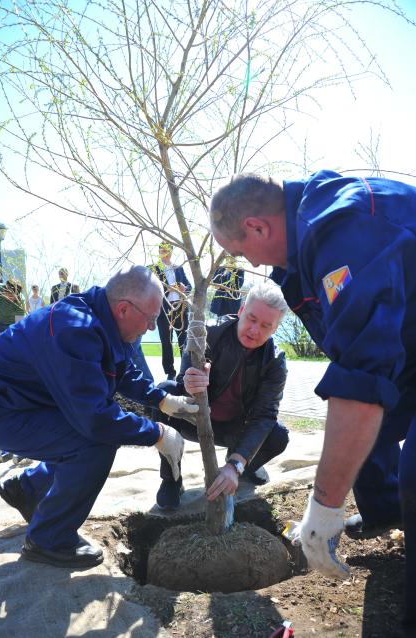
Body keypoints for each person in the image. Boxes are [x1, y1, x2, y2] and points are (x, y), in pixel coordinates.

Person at [209, 169, 416, 628]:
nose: (255, 264)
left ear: (258, 227)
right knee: (364, 437)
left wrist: (323, 505)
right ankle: (386, 516)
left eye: (243, 252)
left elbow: (361, 375)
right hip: (407, 350)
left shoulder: (347, 227)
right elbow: (355, 362)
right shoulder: (304, 252)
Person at [0, 265, 199, 568]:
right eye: (152, 318)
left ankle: (27, 489)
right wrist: (156, 434)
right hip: (2, 410)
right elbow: (97, 419)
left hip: (27, 401)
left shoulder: (102, 318)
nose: (153, 327)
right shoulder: (74, 329)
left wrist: (162, 399)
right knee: (95, 442)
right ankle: (48, 539)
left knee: (83, 434)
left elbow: (120, 368)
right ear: (124, 309)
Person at [154, 279, 289, 510]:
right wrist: (192, 383)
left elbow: (264, 415)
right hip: (195, 418)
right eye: (252, 319)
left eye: (266, 326)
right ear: (241, 310)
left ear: (275, 329)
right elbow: (182, 386)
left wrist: (236, 463)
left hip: (235, 429)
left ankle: (243, 466)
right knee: (162, 393)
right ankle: (171, 477)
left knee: (278, 435)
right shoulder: (206, 335)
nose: (255, 330)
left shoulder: (274, 361)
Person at [151, 242, 192, 380]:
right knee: (166, 340)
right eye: (162, 250)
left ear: (171, 252)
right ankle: (170, 372)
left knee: (183, 340)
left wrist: (183, 287)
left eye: (167, 250)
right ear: (159, 251)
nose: (164, 252)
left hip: (180, 307)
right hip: (164, 308)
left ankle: (184, 370)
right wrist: (167, 289)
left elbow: (189, 286)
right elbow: (150, 290)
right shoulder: (154, 269)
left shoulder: (178, 268)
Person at [210, 256, 245, 323]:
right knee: (218, 324)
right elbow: (214, 283)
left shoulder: (239, 270)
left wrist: (231, 273)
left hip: (232, 303)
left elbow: (238, 285)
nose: (230, 259)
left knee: (231, 323)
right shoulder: (220, 269)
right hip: (220, 303)